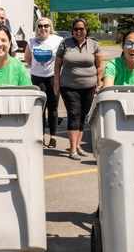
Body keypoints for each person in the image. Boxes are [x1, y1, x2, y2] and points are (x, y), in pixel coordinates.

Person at [53, 17, 103, 161]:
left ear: (86, 30)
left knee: (82, 116)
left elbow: (100, 65)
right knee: (74, 114)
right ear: (72, 31)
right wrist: (56, 83)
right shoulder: (65, 44)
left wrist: (98, 81)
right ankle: (72, 149)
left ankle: (78, 145)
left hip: (89, 86)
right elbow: (57, 65)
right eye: (76, 29)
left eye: (82, 28)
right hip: (69, 86)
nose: (79, 31)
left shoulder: (94, 44)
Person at [24, 17, 63, 148]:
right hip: (37, 78)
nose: (43, 28)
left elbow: (61, 60)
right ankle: (40, 136)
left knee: (53, 108)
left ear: (50, 27)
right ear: (37, 28)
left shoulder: (58, 41)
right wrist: (36, 68)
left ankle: (53, 137)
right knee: (39, 108)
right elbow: (27, 58)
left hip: (52, 77)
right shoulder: (32, 42)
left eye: (46, 25)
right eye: (40, 26)